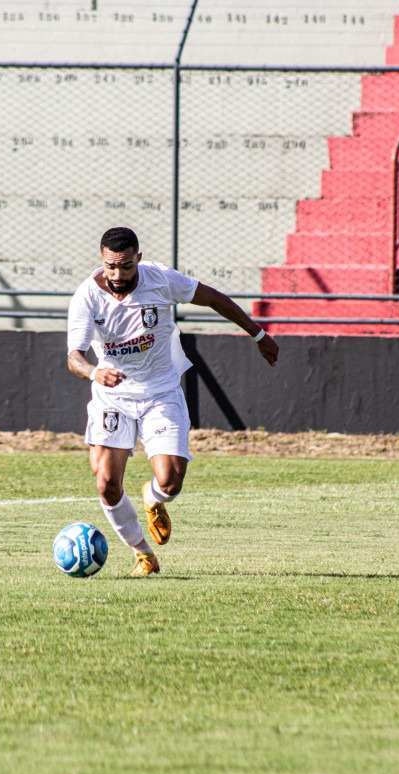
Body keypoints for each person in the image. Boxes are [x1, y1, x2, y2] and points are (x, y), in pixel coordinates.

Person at [66, 227, 279, 576]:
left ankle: (153, 500)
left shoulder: (161, 279)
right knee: (105, 482)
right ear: (101, 260)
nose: (118, 275)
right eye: (110, 267)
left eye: (125, 267)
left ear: (138, 257)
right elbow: (73, 357)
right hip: (113, 397)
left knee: (170, 480)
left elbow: (213, 298)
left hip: (160, 392)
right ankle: (142, 554)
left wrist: (257, 333)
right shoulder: (87, 297)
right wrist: (93, 373)